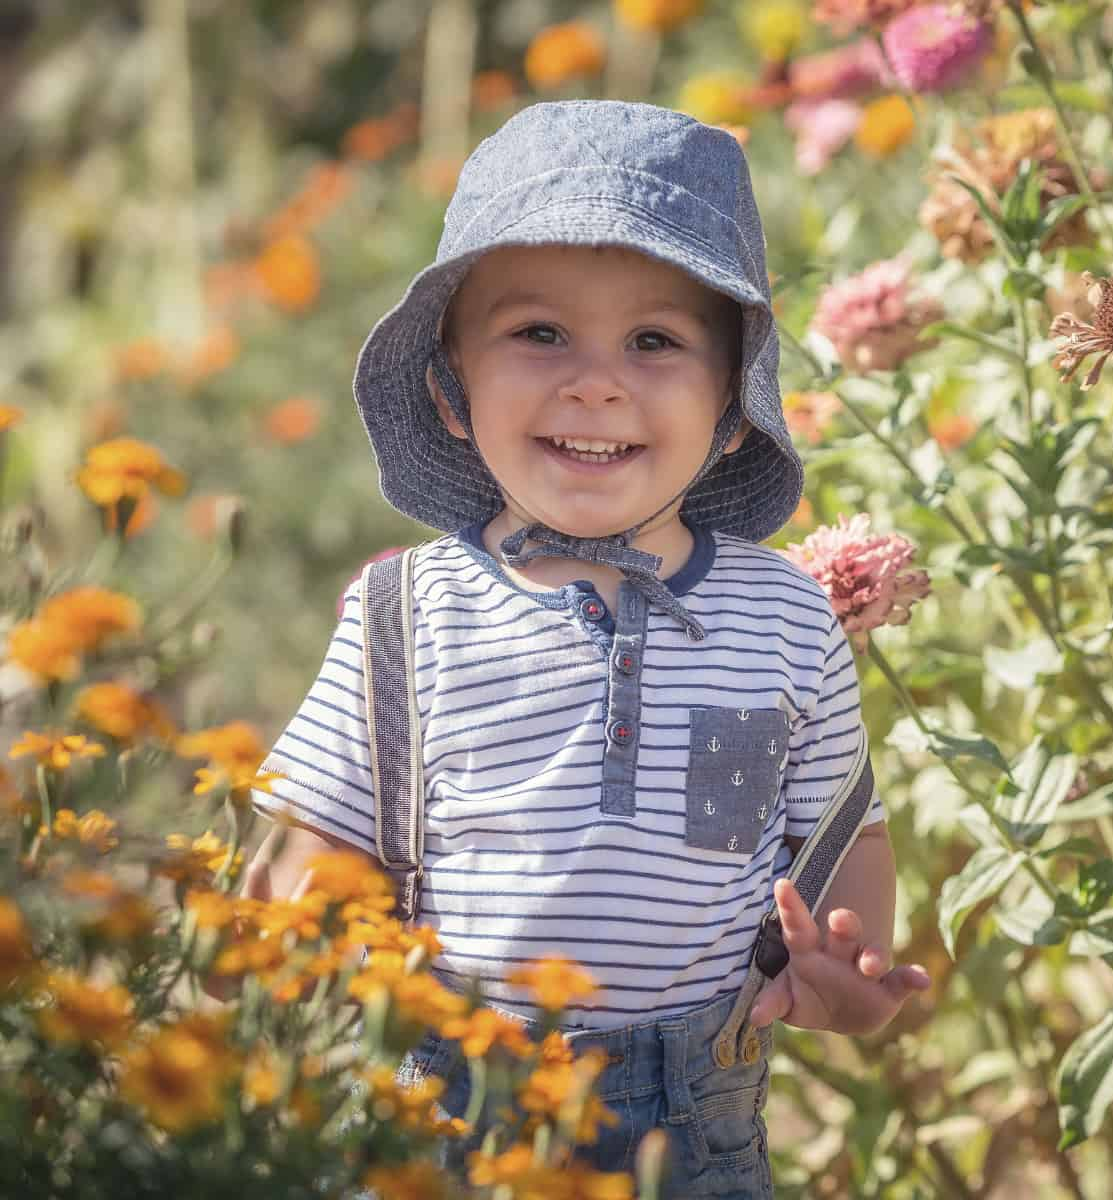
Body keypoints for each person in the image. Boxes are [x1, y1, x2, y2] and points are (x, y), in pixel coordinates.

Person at [246, 100, 929, 1197]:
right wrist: (319, 925)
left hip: (695, 1120)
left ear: (735, 411)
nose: (595, 382)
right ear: (451, 391)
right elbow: (318, 834)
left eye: (654, 341)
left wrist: (842, 966)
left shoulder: (785, 618)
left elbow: (842, 833)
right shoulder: (406, 611)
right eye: (539, 333)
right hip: (449, 1103)